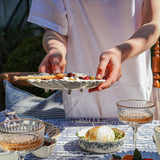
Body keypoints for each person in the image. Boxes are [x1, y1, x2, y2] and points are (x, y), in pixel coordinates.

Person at [28, 0, 160, 118]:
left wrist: (121, 52)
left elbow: (153, 23)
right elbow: (54, 29)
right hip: (81, 96)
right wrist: (56, 50)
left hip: (134, 90)